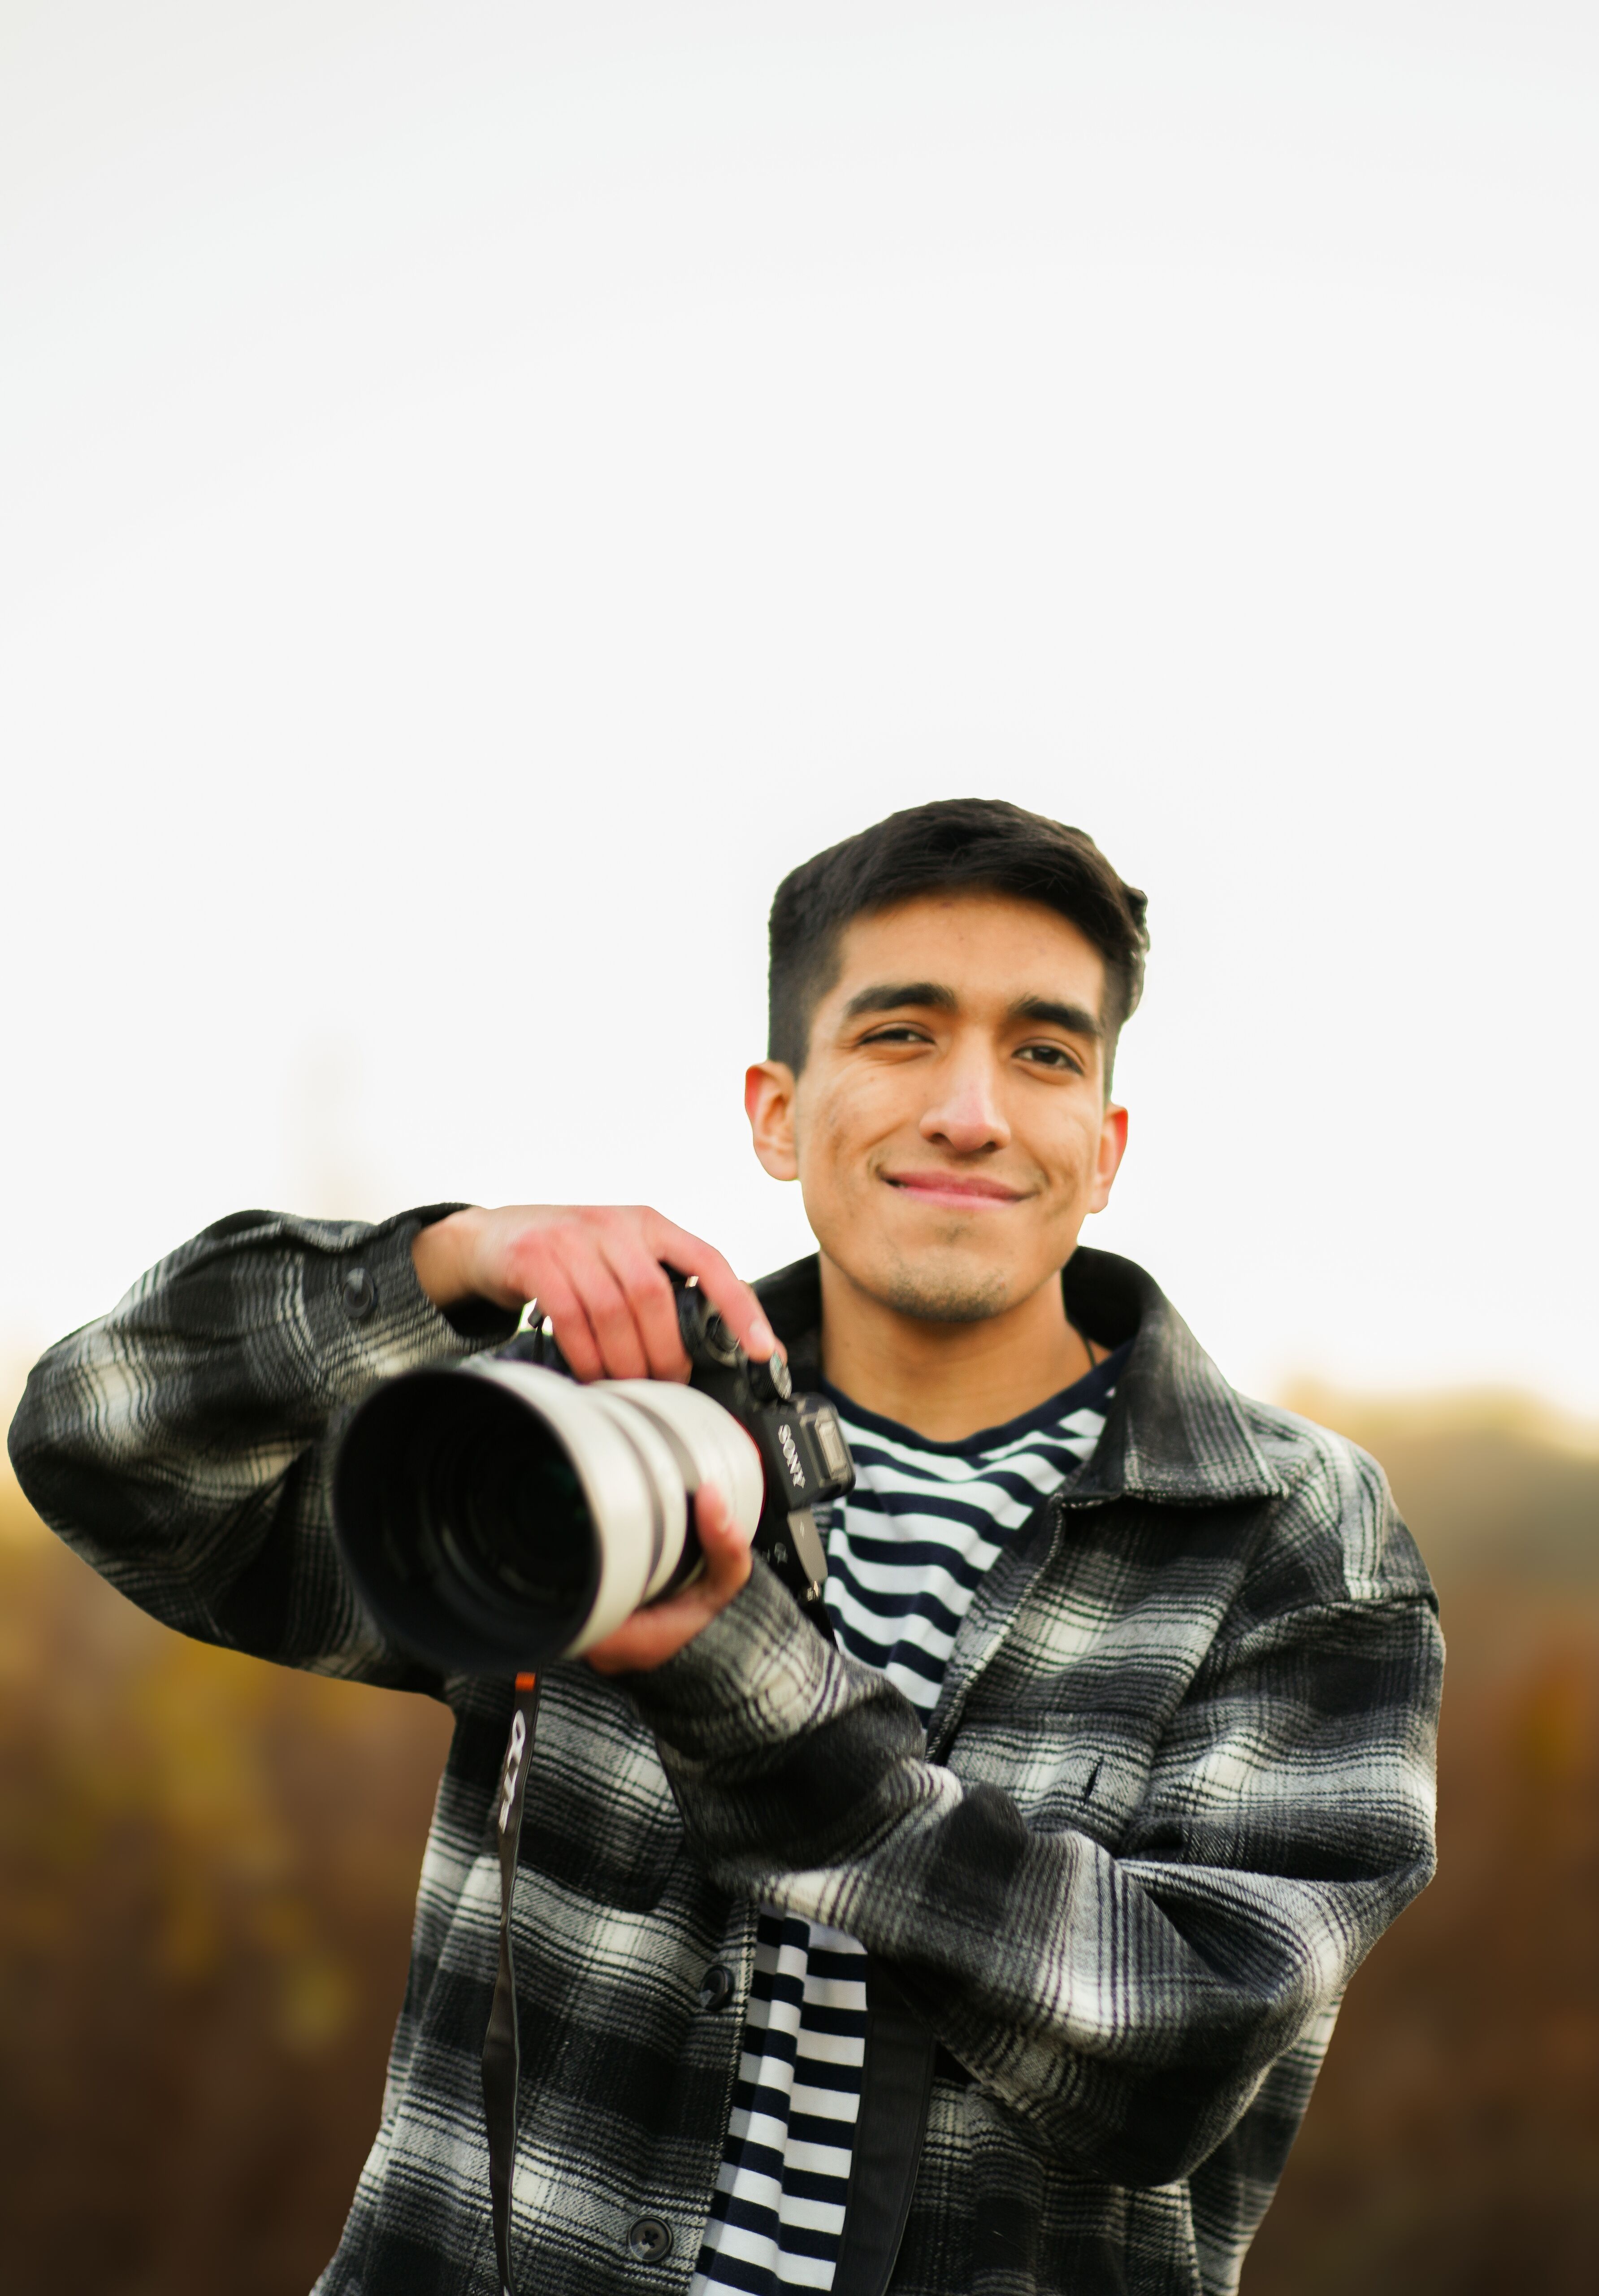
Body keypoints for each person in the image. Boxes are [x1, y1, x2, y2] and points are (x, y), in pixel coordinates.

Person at [9, 798, 1442, 2296]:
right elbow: (99, 1447)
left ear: (1107, 1143)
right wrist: (442, 1264)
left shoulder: (1285, 1534)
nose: (972, 1107)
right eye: (901, 1034)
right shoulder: (569, 1438)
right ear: (774, 1109)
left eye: (1044, 1051)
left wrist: (734, 1678)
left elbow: (1179, 2048)